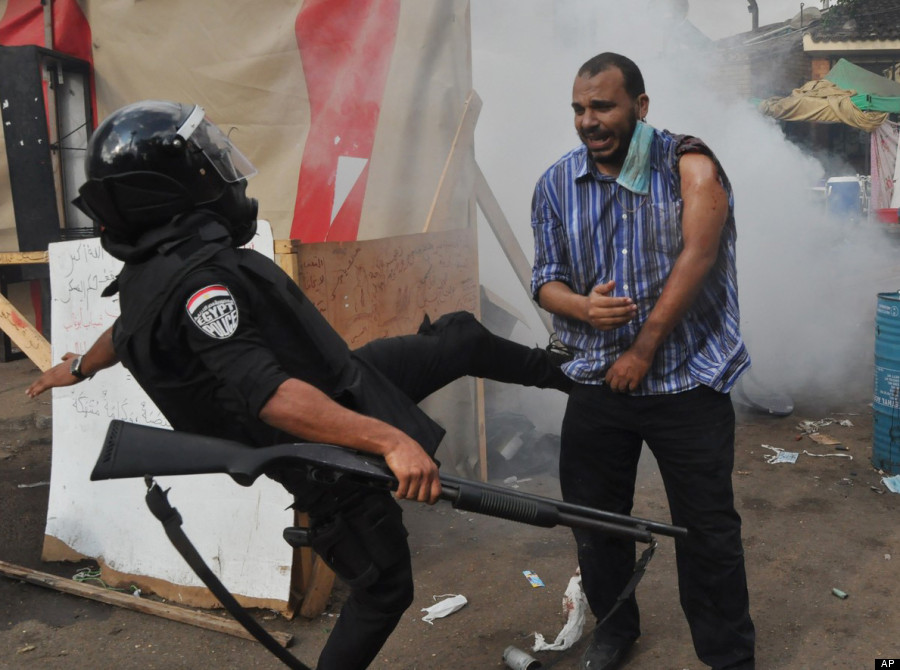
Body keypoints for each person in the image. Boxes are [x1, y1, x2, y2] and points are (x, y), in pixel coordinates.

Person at [27, 99, 571, 670]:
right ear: (170, 188)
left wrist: (80, 366)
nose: (221, 170)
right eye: (204, 162)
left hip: (343, 384)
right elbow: (273, 397)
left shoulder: (158, 264)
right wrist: (389, 441)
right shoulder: (201, 286)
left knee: (458, 340)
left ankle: (577, 378)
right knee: (384, 588)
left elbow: (125, 328)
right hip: (325, 452)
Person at [529, 53, 754, 670]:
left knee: (706, 531)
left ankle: (728, 655)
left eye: (603, 106)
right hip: (599, 382)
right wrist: (580, 306)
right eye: (579, 108)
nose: (588, 121)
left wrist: (641, 348)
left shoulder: (691, 168)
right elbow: (543, 279)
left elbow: (698, 259)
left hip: (687, 381)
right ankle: (615, 627)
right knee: (596, 524)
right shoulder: (556, 184)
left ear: (640, 107)